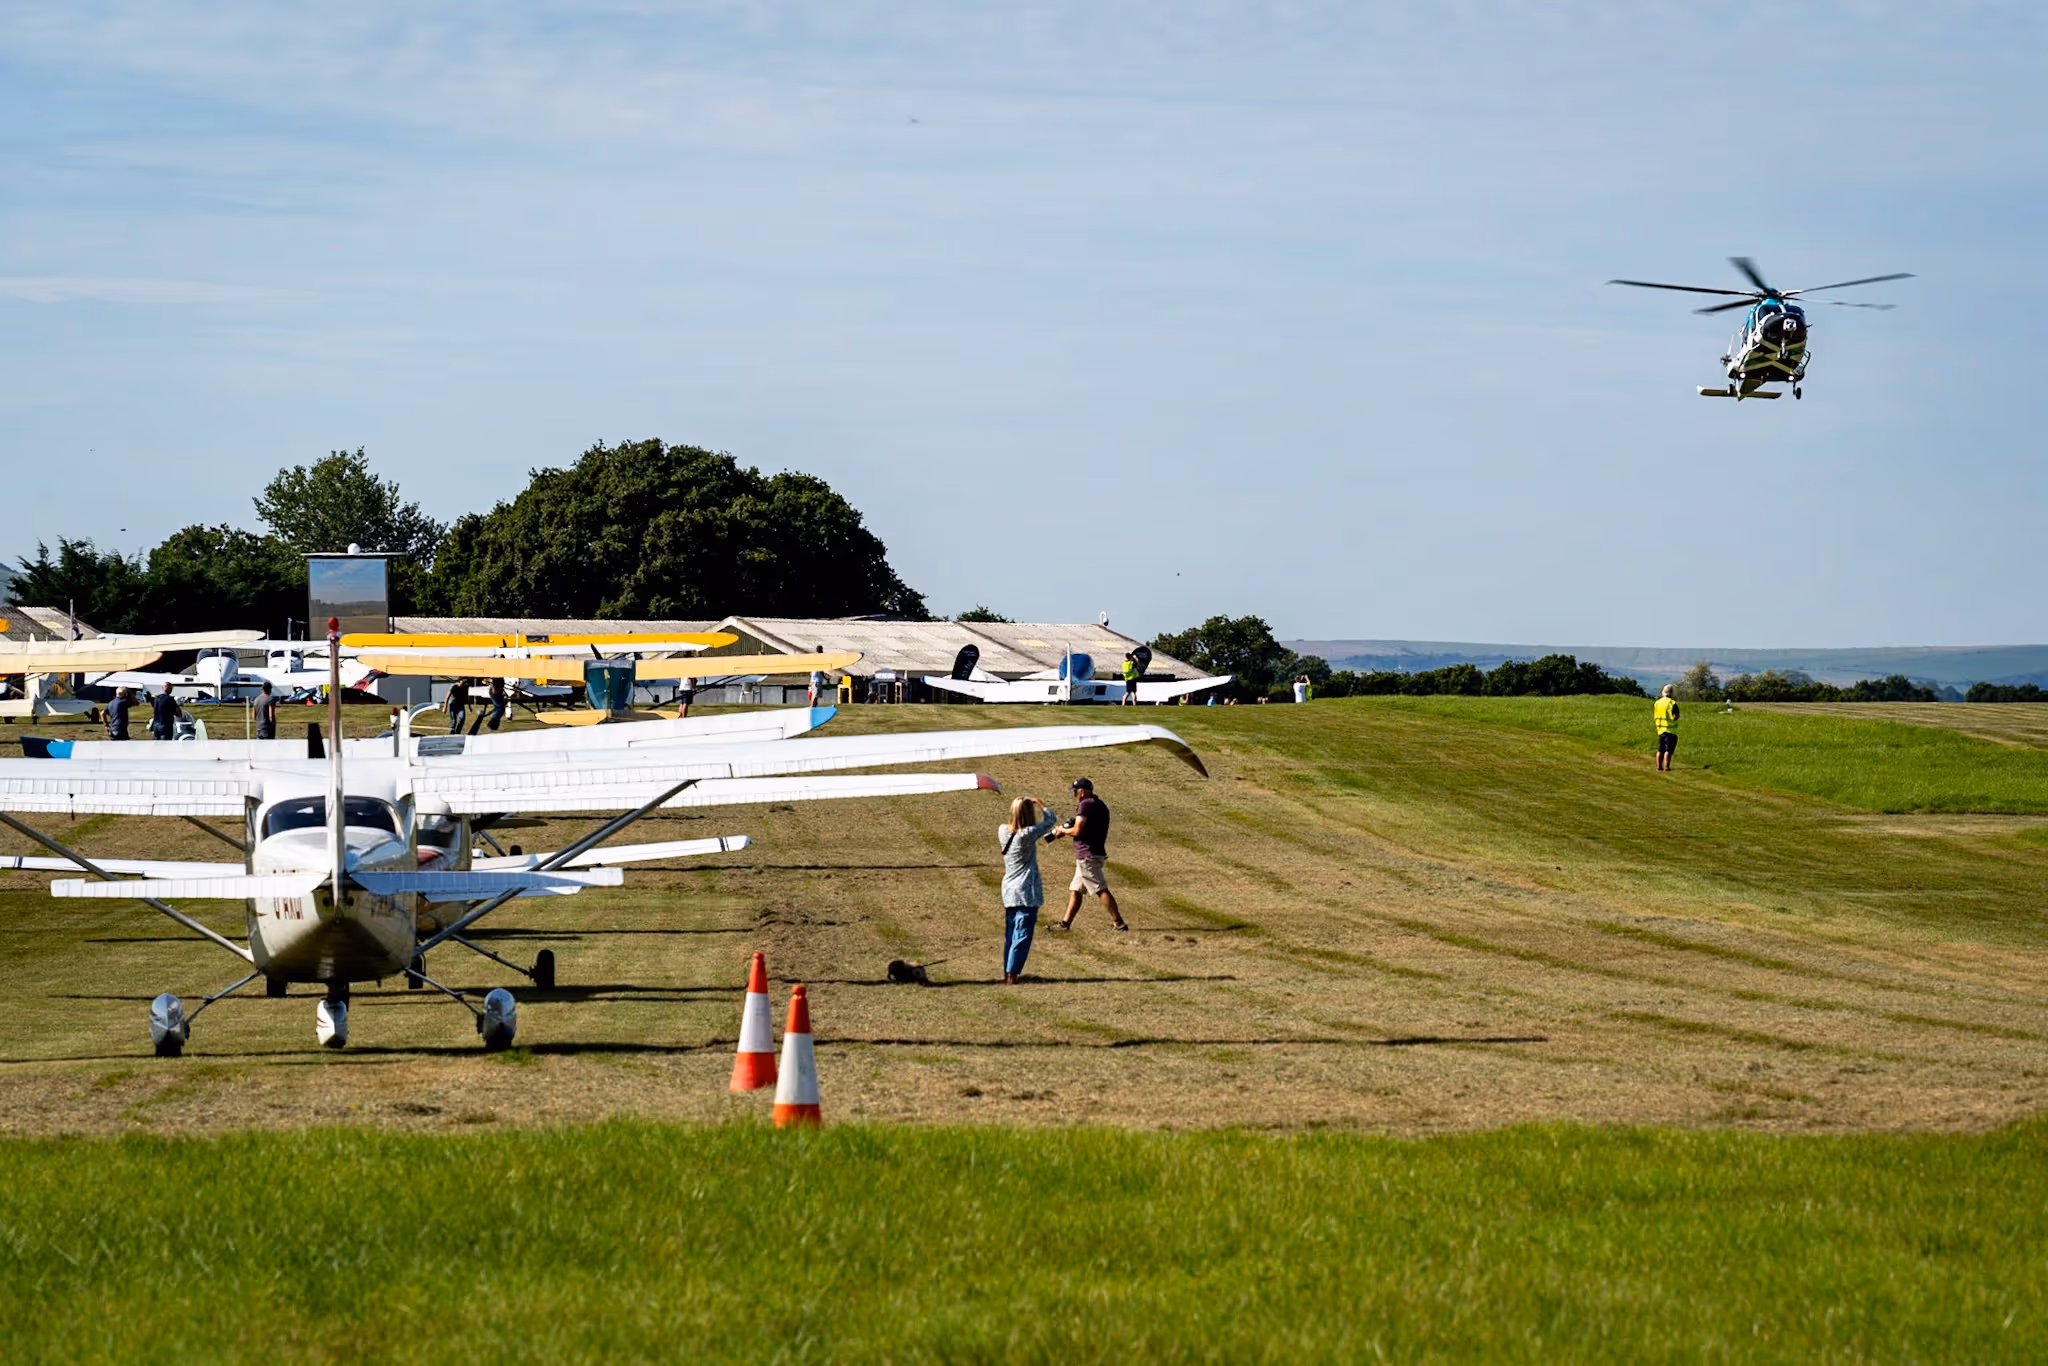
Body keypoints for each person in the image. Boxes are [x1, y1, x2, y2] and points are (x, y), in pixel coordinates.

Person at [1047, 777, 1127, 931]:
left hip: (1087, 855)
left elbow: (1077, 830)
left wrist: (1062, 830)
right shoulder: (1100, 805)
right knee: (1076, 890)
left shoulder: (1085, 805)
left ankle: (1119, 923)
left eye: (1075, 792)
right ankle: (1065, 924)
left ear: (1082, 792)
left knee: (1100, 889)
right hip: (1095, 852)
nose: (1074, 795)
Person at [997, 794, 1059, 984]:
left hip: (1009, 889)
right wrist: (1040, 803)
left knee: (1010, 933)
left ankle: (1007, 971)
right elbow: (1051, 820)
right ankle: (1012, 974)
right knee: (1022, 934)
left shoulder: (1002, 831)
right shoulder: (1027, 834)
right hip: (1025, 890)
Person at [1654, 683, 1681, 771]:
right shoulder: (1672, 703)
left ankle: (1659, 766)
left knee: (1660, 749)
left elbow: (1655, 716)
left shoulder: (1657, 703)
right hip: (1670, 730)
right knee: (1668, 750)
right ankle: (1666, 766)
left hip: (1660, 729)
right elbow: (1675, 716)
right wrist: (1673, 719)